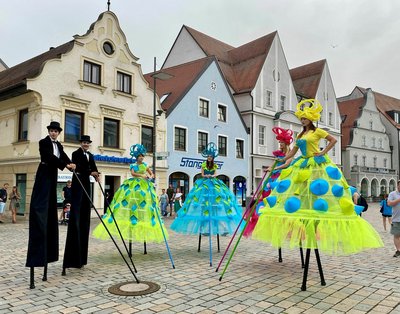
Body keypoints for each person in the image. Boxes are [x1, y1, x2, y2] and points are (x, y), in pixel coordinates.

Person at [252, 99, 383, 256]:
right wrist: (282, 159)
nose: (303, 121)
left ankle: (317, 220)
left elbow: (333, 140)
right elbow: (293, 152)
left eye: (305, 118)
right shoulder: (301, 134)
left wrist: (323, 152)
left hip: (316, 164)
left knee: (319, 188)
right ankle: (304, 221)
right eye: (301, 118)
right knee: (297, 189)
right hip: (302, 163)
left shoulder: (317, 132)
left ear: (311, 119)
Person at [26, 121, 75, 287]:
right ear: (49, 131)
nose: (53, 133)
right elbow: (49, 157)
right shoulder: (43, 143)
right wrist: (64, 165)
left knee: (51, 205)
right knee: (41, 203)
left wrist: (70, 165)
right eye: (52, 131)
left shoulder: (59, 145)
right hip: (44, 172)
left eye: (56, 131)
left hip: (53, 175)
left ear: (59, 133)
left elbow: (63, 156)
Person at [93, 144, 168, 245]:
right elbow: (133, 173)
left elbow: (152, 173)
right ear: (136, 157)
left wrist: (150, 176)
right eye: (139, 156)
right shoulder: (133, 165)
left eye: (142, 156)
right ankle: (131, 218)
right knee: (129, 198)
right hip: (134, 183)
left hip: (144, 185)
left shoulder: (145, 165)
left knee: (145, 201)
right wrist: (142, 175)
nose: (141, 157)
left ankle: (142, 218)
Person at [170, 142, 243, 238]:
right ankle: (204, 229)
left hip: (213, 183)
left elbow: (216, 173)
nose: (209, 157)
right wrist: (207, 176)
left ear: (213, 157)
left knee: (218, 203)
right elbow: (202, 174)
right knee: (203, 206)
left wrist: (212, 176)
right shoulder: (204, 164)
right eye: (208, 156)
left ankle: (223, 229)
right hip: (204, 183)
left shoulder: (215, 165)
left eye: (210, 156)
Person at [244, 127, 293, 237]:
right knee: (267, 196)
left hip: (284, 177)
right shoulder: (278, 154)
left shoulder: (290, 154)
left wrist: (274, 168)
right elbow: (274, 164)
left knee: (282, 197)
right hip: (274, 177)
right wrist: (270, 168)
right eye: (279, 142)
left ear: (286, 143)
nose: (280, 144)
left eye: (281, 142)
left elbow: (286, 164)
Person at [62, 135, 100, 274]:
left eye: (87, 143)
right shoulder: (76, 153)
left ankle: (82, 258)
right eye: (84, 142)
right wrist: (91, 172)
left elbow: (93, 167)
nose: (85, 144)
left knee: (85, 213)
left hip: (86, 183)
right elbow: (81, 167)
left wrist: (96, 175)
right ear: (81, 143)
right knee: (77, 212)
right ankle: (72, 258)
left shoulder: (90, 155)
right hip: (78, 183)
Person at [387, 180, 400, 257]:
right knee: (396, 235)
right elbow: (389, 203)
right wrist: (398, 200)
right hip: (396, 218)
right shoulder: (393, 194)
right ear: (398, 185)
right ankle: (398, 250)